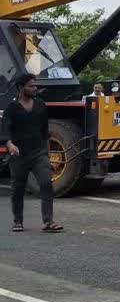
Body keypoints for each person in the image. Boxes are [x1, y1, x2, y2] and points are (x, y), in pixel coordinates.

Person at [4, 73, 62, 232]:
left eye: (35, 85)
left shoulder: (40, 105)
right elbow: (5, 130)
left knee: (46, 183)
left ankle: (48, 222)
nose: (35, 88)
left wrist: (47, 151)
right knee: (18, 188)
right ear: (21, 88)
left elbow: (45, 131)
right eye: (31, 86)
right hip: (19, 156)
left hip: (38, 154)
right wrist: (10, 145)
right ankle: (17, 221)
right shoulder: (12, 108)